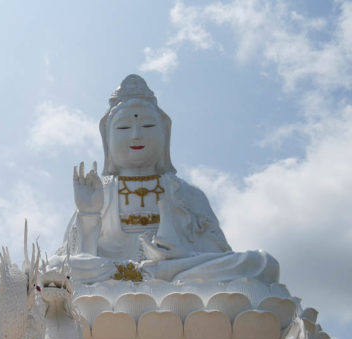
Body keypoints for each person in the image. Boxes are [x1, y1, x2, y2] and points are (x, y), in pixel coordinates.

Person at [49, 74, 279, 285]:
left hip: (175, 272)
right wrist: (88, 215)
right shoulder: (102, 190)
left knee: (261, 263)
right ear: (107, 140)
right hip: (113, 274)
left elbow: (216, 252)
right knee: (55, 267)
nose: (136, 135)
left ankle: (155, 275)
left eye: (148, 126)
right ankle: (148, 277)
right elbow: (76, 260)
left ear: (164, 133)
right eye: (123, 127)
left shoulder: (185, 192)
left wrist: (180, 254)